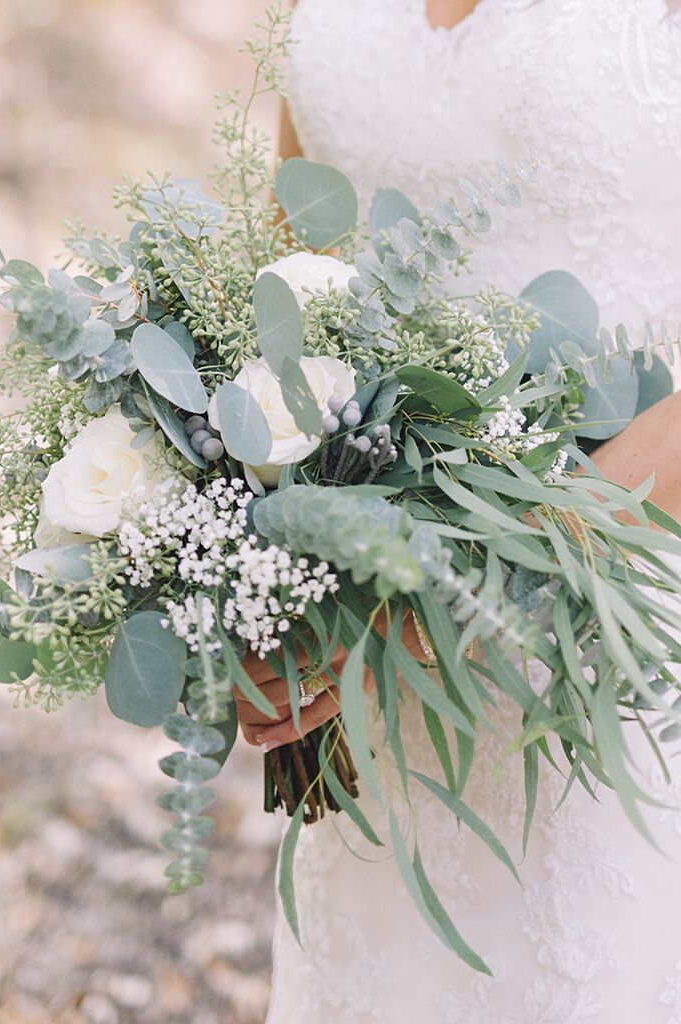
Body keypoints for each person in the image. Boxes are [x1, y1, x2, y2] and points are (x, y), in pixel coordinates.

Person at [235, 2, 681, 1020]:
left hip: (618, 645)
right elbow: (292, 268)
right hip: (375, 689)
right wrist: (250, 576)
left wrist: (462, 590)